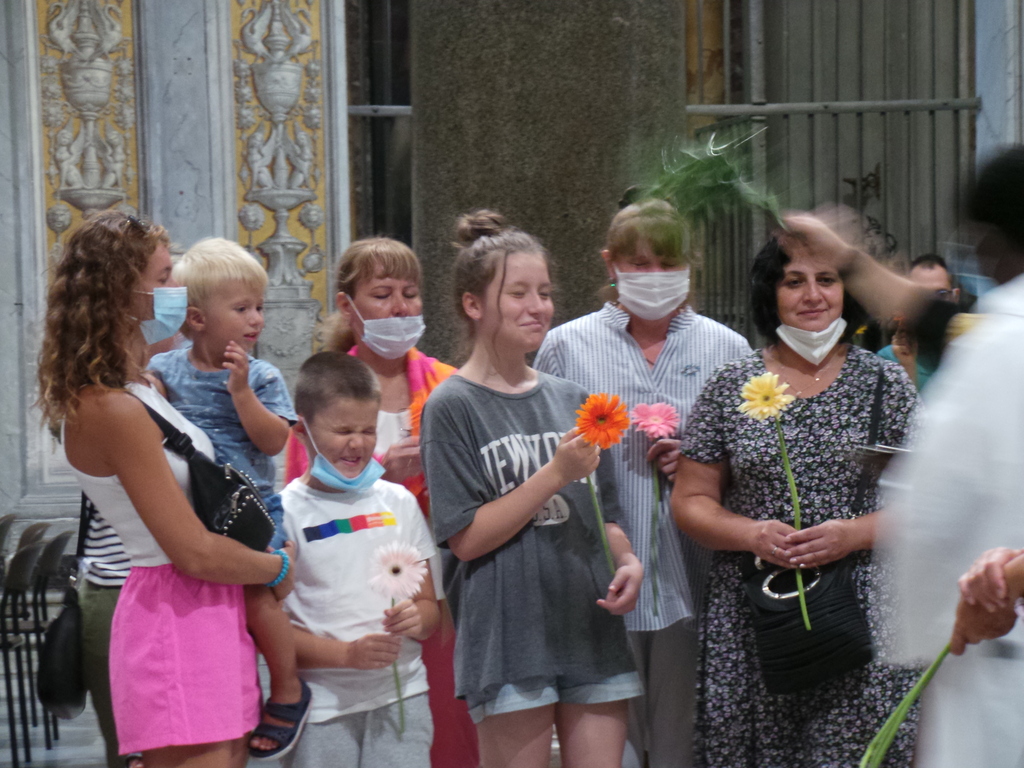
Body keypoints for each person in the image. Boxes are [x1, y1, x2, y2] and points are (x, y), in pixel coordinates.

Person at [785, 147, 1024, 768]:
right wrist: (847, 258)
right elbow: (942, 320)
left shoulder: (1001, 347)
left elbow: (938, 511)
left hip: (1001, 653)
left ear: (992, 243)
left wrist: (913, 483)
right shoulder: (1000, 332)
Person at [37, 210, 295, 768]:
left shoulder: (140, 386)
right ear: (121, 295)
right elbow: (193, 551)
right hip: (172, 610)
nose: (177, 288)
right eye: (162, 277)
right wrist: (275, 568)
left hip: (210, 607)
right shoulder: (109, 408)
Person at [671, 234, 921, 767]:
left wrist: (851, 534)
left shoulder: (885, 383)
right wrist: (752, 533)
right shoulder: (732, 383)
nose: (812, 295)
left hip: (865, 615)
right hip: (756, 616)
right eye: (794, 281)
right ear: (771, 293)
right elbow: (690, 499)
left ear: (845, 291)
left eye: (826, 280)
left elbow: (924, 501)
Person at [420, 210, 644, 768]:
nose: (537, 306)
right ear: (474, 305)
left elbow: (606, 516)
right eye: (517, 293)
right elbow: (466, 539)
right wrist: (553, 474)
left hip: (588, 624)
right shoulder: (452, 406)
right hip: (508, 636)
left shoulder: (572, 395)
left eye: (543, 292)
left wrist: (629, 561)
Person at [534, 198, 750, 768]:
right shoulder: (566, 345)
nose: (652, 277)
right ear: (610, 265)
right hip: (600, 574)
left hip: (693, 577)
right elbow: (544, 456)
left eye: (666, 263)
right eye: (637, 263)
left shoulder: (728, 350)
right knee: (607, 744)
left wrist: (706, 466)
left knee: (683, 741)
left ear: (689, 267)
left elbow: (754, 463)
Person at [282, 236, 477, 768]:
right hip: (341, 601)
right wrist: (379, 474)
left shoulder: (448, 385)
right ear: (348, 305)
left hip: (433, 588)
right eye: (383, 294)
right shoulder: (328, 385)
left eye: (410, 294)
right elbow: (304, 484)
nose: (400, 308)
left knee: (435, 728)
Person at [146, 238, 310, 760]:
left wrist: (241, 393)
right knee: (210, 608)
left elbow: (274, 442)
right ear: (195, 319)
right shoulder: (168, 371)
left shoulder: (261, 375)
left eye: (258, 307)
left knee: (260, 597)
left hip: (256, 504)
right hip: (198, 511)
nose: (255, 319)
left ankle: (287, 687)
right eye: (241, 309)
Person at [279, 351, 440, 767]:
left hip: (402, 696)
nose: (358, 443)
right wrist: (345, 656)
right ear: (302, 430)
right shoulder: (286, 513)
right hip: (322, 708)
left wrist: (418, 619)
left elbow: (429, 607)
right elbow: (271, 633)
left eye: (368, 430)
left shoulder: (398, 501)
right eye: (343, 429)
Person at [876, 253, 959, 391]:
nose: (933, 303)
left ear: (955, 296)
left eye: (941, 294)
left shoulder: (972, 353)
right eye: (922, 295)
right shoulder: (888, 361)